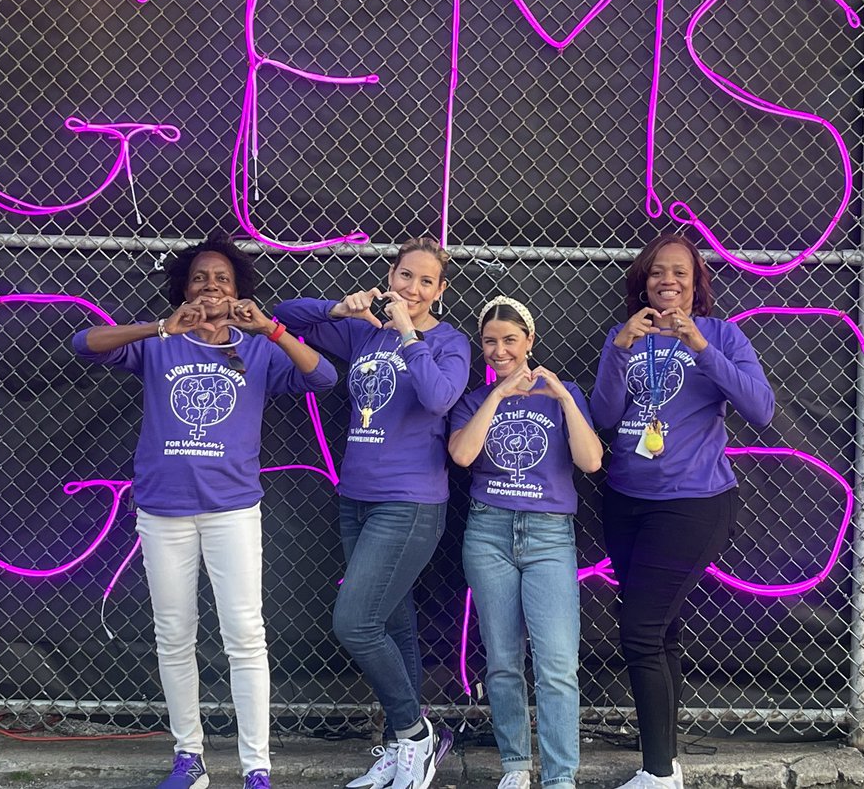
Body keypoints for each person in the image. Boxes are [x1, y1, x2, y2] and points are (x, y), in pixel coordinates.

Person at [72, 236, 337, 789]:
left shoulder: (259, 347)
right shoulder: (161, 343)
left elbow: (323, 377)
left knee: (245, 636)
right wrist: (162, 328)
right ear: (184, 288)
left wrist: (272, 329)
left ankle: (255, 766)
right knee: (174, 637)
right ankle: (189, 757)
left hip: (231, 511)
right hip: (164, 511)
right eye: (199, 278)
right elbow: (86, 343)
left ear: (238, 289)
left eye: (221, 278)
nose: (210, 286)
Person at [273, 237, 470, 789]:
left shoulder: (449, 342)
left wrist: (409, 333)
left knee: (355, 623)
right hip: (355, 496)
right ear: (391, 275)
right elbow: (287, 317)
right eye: (406, 276)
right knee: (393, 623)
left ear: (439, 291)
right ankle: (403, 744)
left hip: (409, 503)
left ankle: (414, 733)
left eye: (426, 281)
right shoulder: (363, 330)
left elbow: (437, 399)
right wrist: (340, 308)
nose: (413, 288)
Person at [590, 233, 774, 789]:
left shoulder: (720, 334)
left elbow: (760, 409)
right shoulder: (624, 337)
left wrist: (700, 346)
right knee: (661, 632)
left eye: (679, 273)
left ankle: (657, 773)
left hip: (692, 504)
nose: (667, 281)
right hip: (625, 501)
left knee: (640, 630)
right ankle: (665, 763)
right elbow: (603, 415)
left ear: (696, 283)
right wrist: (619, 350)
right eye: (656, 273)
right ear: (642, 282)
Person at [448, 297, 602, 789]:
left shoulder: (565, 393)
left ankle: (560, 777)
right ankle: (515, 766)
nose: (499, 350)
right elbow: (463, 455)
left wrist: (560, 396)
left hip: (548, 536)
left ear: (529, 341)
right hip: (489, 532)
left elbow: (591, 462)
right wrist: (496, 396)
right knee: (502, 661)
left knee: (556, 663)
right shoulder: (474, 400)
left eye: (510, 340)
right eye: (490, 341)